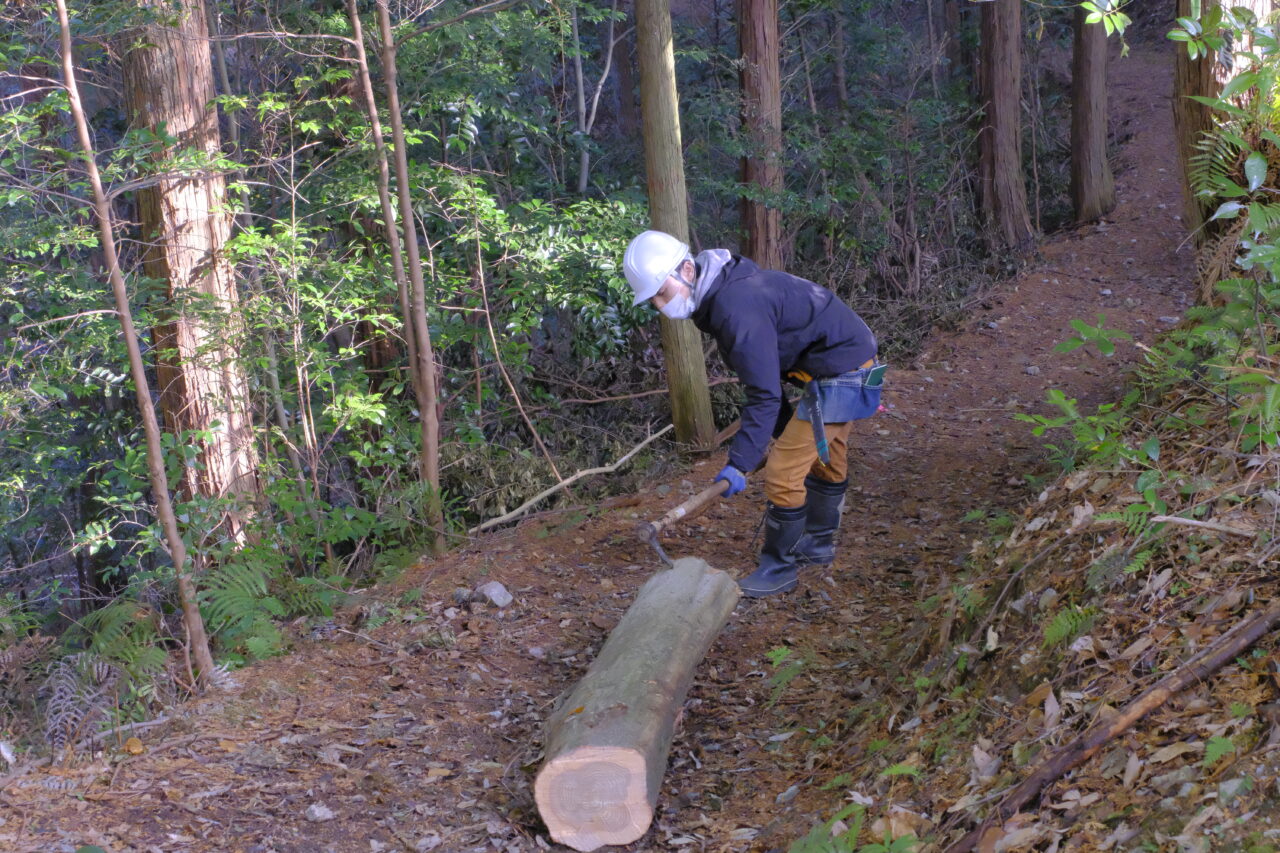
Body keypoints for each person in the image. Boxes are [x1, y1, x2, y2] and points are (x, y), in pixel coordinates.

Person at [622, 229, 883, 598]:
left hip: (844, 370)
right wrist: (776, 433)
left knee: (782, 473)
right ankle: (818, 545)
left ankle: (779, 568)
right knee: (823, 456)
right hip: (840, 363)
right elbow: (767, 373)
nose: (660, 307)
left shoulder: (735, 304)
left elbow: (763, 393)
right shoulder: (724, 294)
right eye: (653, 301)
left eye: (662, 293)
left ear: (686, 270)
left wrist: (740, 463)